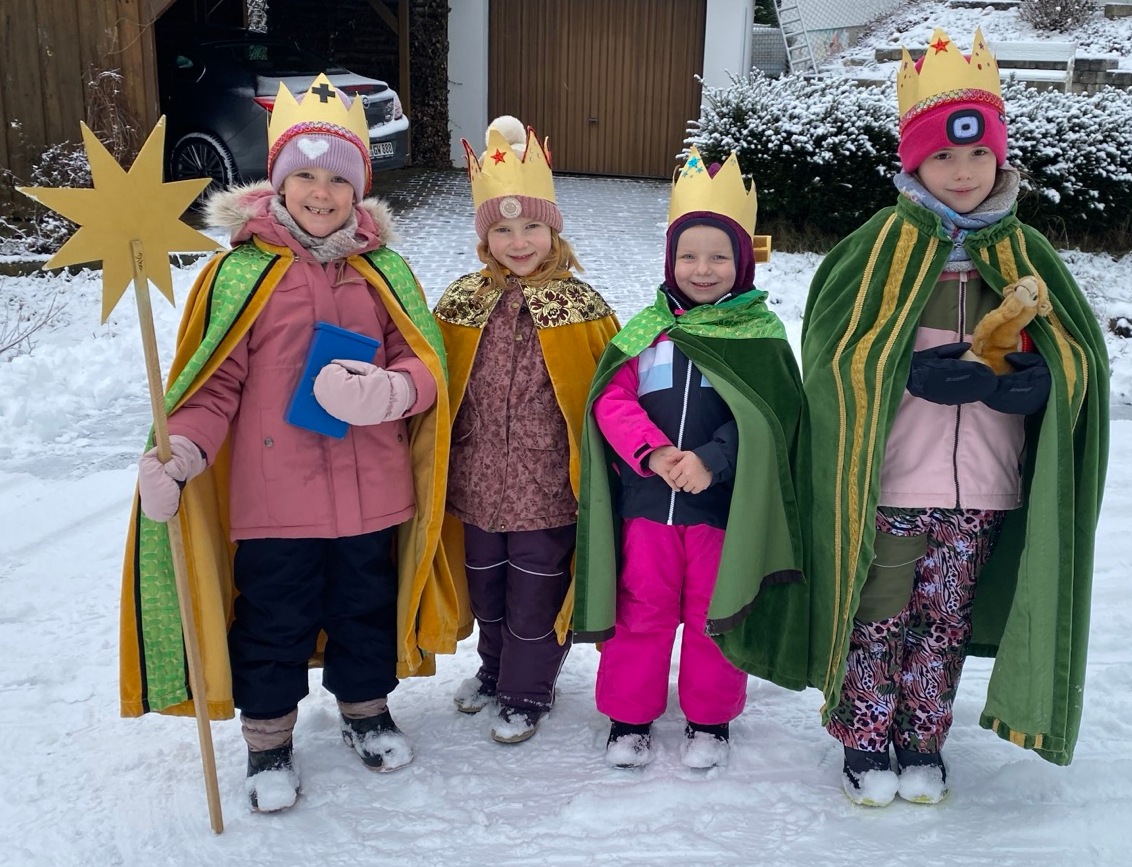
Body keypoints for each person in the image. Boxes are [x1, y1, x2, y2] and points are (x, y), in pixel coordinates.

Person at [122, 75, 457, 812]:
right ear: (276, 183)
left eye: (338, 179)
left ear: (359, 189)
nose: (320, 192)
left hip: (374, 494)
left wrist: (390, 392)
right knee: (273, 620)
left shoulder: (383, 272)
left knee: (365, 609)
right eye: (304, 176)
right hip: (275, 503)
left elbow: (426, 365)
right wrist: (182, 453)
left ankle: (366, 709)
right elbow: (211, 388)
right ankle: (268, 738)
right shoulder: (239, 275)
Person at [800, 28, 1109, 807]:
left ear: (999, 157)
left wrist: (1039, 384)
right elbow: (831, 356)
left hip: (984, 485)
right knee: (878, 614)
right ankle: (864, 735)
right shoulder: (878, 248)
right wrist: (902, 373)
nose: (964, 171)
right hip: (894, 480)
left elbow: (1080, 359)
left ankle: (921, 738)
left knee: (945, 621)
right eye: (943, 155)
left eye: (978, 154)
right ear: (914, 162)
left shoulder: (1026, 253)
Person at [573, 147, 808, 770]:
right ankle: (629, 717)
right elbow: (611, 401)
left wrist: (710, 460)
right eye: (689, 256)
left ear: (743, 262)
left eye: (719, 256)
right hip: (648, 506)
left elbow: (771, 418)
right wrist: (652, 452)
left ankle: (710, 720)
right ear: (670, 261)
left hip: (721, 511)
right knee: (641, 612)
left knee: (714, 615)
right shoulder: (646, 332)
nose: (703, 270)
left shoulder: (761, 337)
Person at [432, 116, 619, 745]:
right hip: (477, 485)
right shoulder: (461, 302)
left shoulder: (584, 307)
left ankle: (527, 688)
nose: (518, 242)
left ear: (553, 231)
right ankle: (493, 670)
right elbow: (435, 376)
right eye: (502, 230)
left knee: (536, 596)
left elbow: (612, 389)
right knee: (487, 589)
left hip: (549, 490)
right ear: (485, 237)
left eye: (531, 227)